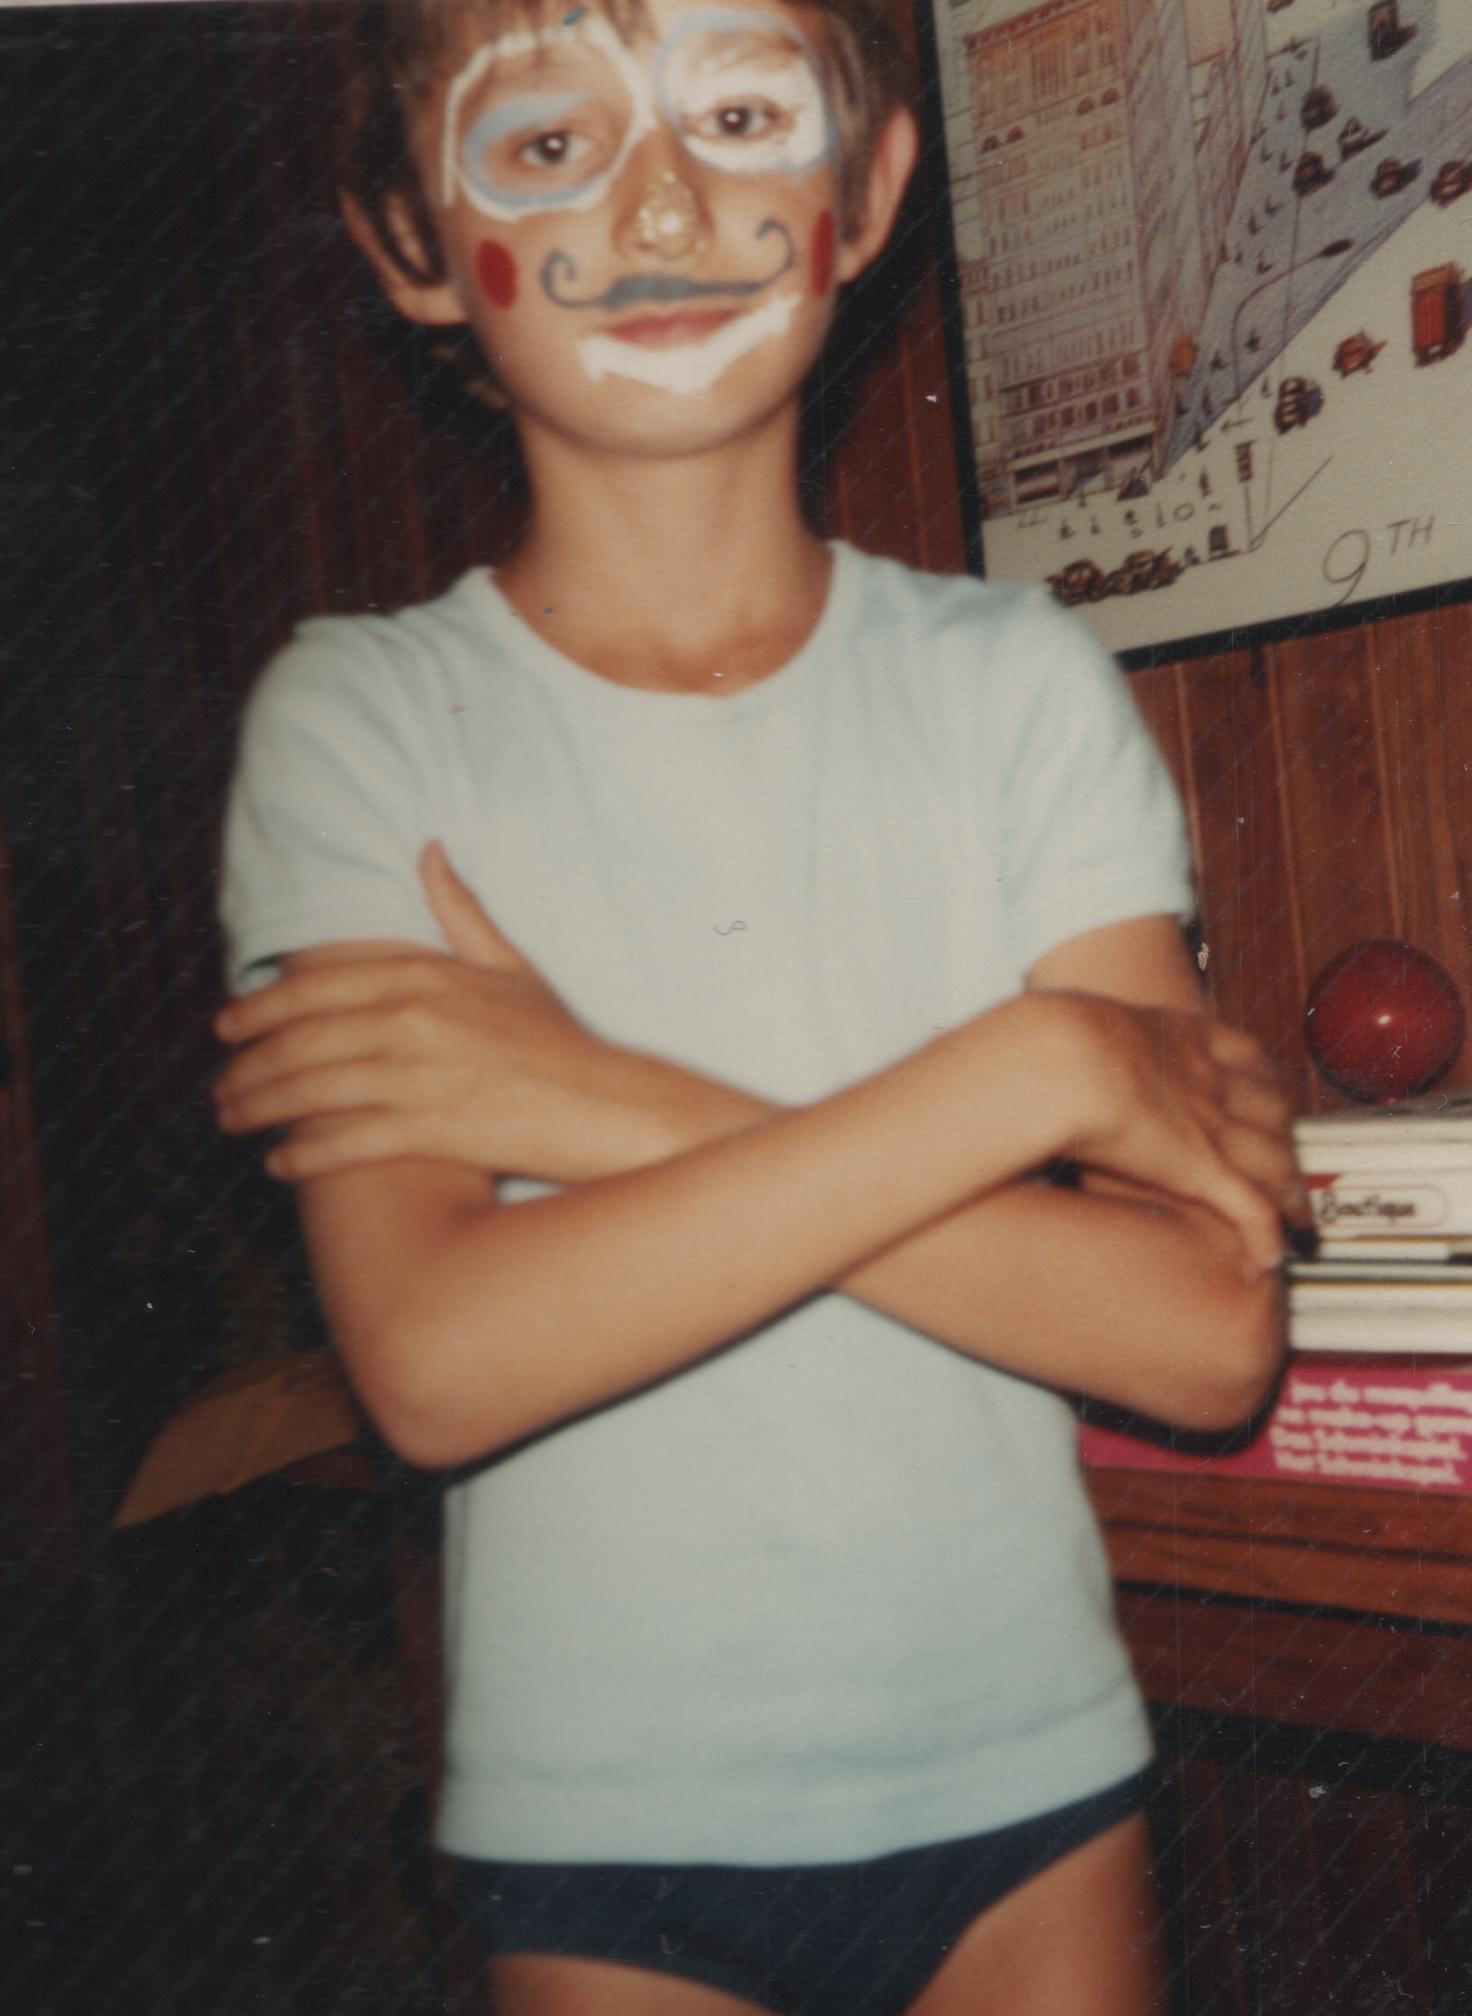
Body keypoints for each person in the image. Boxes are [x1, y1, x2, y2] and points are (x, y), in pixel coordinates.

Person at [214, 0, 1305, 2008]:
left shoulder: (1013, 688)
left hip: (1032, 1794)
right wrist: (1038, 1075)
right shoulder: (364, 720)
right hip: (600, 1839)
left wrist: (595, 1097)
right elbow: (438, 1360)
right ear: (409, 238)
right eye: (547, 144)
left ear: (866, 192)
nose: (658, 204)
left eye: (736, 114)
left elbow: (1203, 1334)